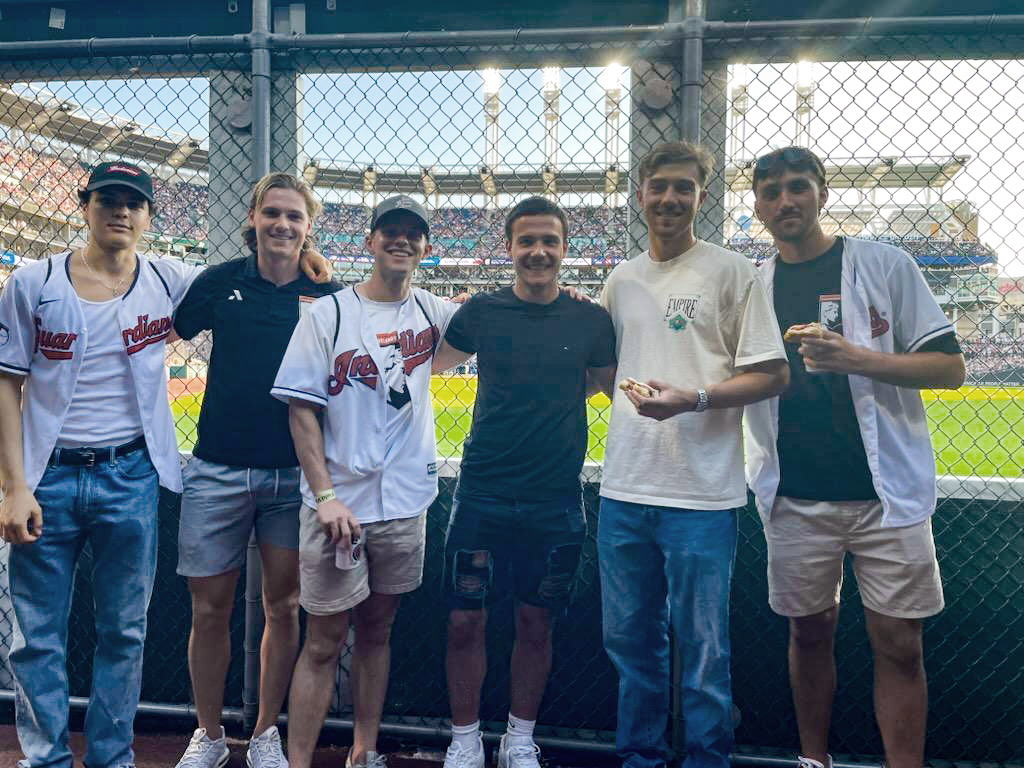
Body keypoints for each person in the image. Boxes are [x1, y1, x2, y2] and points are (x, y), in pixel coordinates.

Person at [743, 146, 965, 768]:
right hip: (793, 493)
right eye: (771, 192)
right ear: (757, 207)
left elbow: (949, 368)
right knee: (808, 633)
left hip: (885, 495)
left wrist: (856, 358)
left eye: (798, 186)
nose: (786, 201)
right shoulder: (752, 284)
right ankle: (814, 759)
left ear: (822, 193)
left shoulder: (885, 265)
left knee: (899, 642)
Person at [0, 161, 203, 768]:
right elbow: (6, 384)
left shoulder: (169, 278)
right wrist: (13, 487)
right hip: (47, 478)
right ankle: (46, 758)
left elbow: (241, 281)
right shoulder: (33, 282)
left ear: (148, 217)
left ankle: (112, 757)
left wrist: (308, 259)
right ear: (83, 204)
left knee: (124, 631)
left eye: (134, 202)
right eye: (108, 199)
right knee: (37, 636)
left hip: (130, 475)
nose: (121, 211)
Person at [595, 140, 790, 768]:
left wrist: (695, 399)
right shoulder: (622, 279)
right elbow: (604, 371)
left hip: (702, 497)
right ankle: (640, 759)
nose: (670, 198)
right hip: (624, 490)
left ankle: (708, 760)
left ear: (701, 198)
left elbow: (773, 373)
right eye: (659, 186)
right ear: (641, 195)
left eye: (684, 187)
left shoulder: (731, 272)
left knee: (704, 652)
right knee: (630, 646)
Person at [431, 196, 617, 768]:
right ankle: (465, 739)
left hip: (555, 497)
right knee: (464, 620)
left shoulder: (590, 319)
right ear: (509, 247)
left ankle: (519, 739)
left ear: (565, 249)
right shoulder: (482, 311)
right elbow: (431, 362)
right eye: (527, 241)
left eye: (549, 241)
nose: (538, 251)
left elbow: (607, 383)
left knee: (537, 623)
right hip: (481, 492)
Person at [271, 195, 456, 768]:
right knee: (322, 640)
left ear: (425, 247)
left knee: (378, 631)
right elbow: (301, 411)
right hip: (338, 506)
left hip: (403, 501)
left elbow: (501, 318)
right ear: (370, 241)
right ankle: (299, 761)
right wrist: (325, 496)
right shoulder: (327, 314)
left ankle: (364, 751)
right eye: (390, 231)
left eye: (413, 233)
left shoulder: (435, 312)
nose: (401, 240)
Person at [172, 172, 341, 768]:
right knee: (208, 609)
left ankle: (267, 732)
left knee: (283, 606)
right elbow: (171, 327)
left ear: (308, 226)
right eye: (272, 213)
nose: (282, 225)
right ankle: (209, 735)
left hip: (294, 475)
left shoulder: (328, 293)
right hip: (216, 469)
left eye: (294, 216)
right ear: (252, 217)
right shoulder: (219, 282)